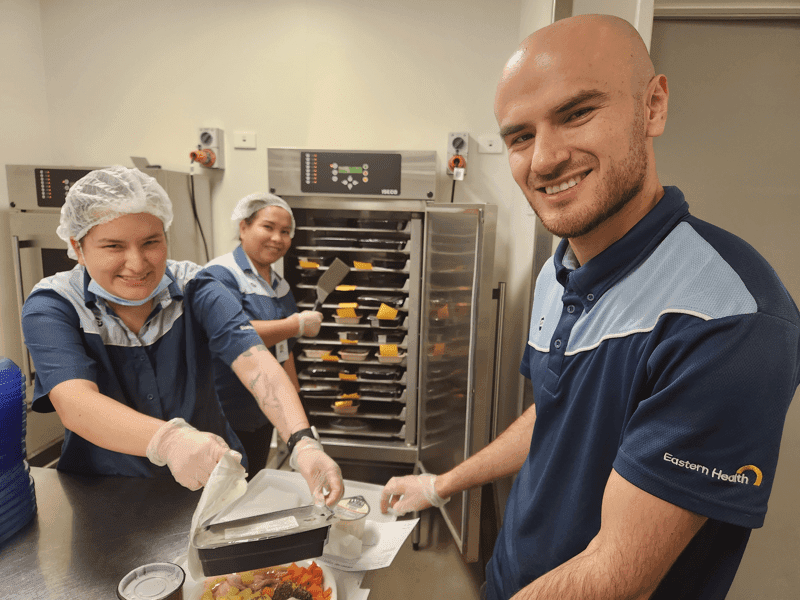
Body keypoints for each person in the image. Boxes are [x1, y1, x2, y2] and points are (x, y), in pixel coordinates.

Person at [381, 14, 800, 600]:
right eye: (520, 137)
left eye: (577, 113)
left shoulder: (730, 317)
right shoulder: (559, 272)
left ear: (652, 107)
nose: (544, 159)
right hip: (512, 577)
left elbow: (612, 576)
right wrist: (442, 483)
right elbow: (555, 414)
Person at [21, 166, 342, 507]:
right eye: (113, 246)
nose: (137, 263)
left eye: (151, 242)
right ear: (78, 247)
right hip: (106, 493)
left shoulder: (195, 286)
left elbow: (256, 363)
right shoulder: (54, 306)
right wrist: (170, 441)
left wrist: (303, 441)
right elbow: (75, 403)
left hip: (213, 480)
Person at [198, 193, 323, 476]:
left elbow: (284, 350)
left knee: (252, 482)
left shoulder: (279, 286)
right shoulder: (220, 275)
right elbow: (231, 333)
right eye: (268, 227)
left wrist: (300, 420)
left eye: (286, 232)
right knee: (221, 491)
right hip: (223, 413)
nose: (277, 238)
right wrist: (297, 324)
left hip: (263, 412)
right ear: (243, 227)